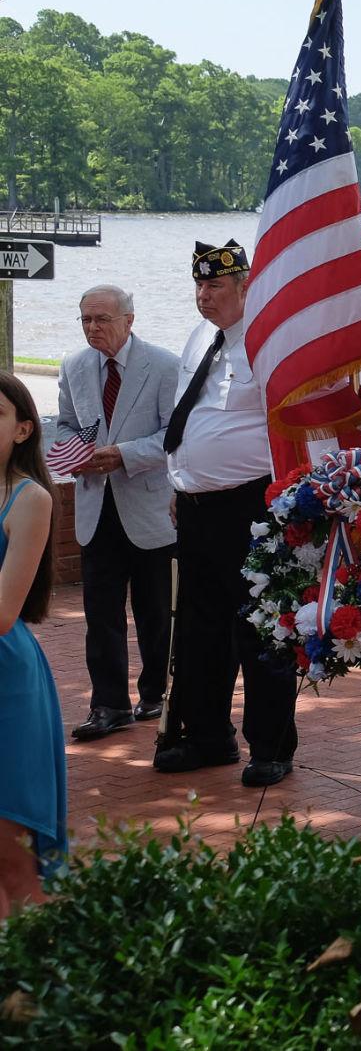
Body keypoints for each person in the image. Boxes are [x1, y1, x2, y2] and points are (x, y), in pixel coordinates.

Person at [154, 241, 298, 788]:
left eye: (215, 285)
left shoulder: (268, 345)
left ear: (246, 288)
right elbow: (187, 414)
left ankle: (270, 745)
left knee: (260, 627)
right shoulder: (200, 338)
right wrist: (180, 481)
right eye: (199, 285)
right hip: (196, 508)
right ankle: (207, 735)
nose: (203, 295)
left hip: (251, 506)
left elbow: (289, 426)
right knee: (200, 628)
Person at [56, 284, 179, 741]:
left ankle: (156, 694)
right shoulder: (73, 365)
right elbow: (66, 424)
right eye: (85, 319)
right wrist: (75, 451)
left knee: (154, 611)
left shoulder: (164, 366)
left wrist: (124, 454)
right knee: (100, 614)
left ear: (129, 320)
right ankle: (108, 705)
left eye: (102, 319)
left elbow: (174, 435)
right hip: (95, 506)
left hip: (149, 507)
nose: (93, 328)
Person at [0, 374, 64, 919]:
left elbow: (2, 614)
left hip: (7, 683)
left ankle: (41, 966)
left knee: (13, 858)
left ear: (22, 429)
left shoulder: (29, 499)